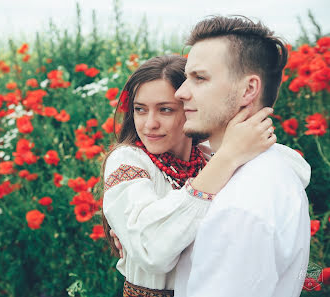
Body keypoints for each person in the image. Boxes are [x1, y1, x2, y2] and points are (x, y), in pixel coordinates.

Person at [101, 54, 279, 297]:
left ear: (190, 108)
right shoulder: (129, 160)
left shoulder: (210, 159)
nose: (149, 124)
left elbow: (297, 168)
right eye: (140, 110)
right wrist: (227, 158)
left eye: (165, 110)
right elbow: (152, 250)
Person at [170, 16, 311, 297]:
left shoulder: (242, 204)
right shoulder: (267, 170)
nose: (180, 93)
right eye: (187, 78)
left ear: (249, 89)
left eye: (199, 78)